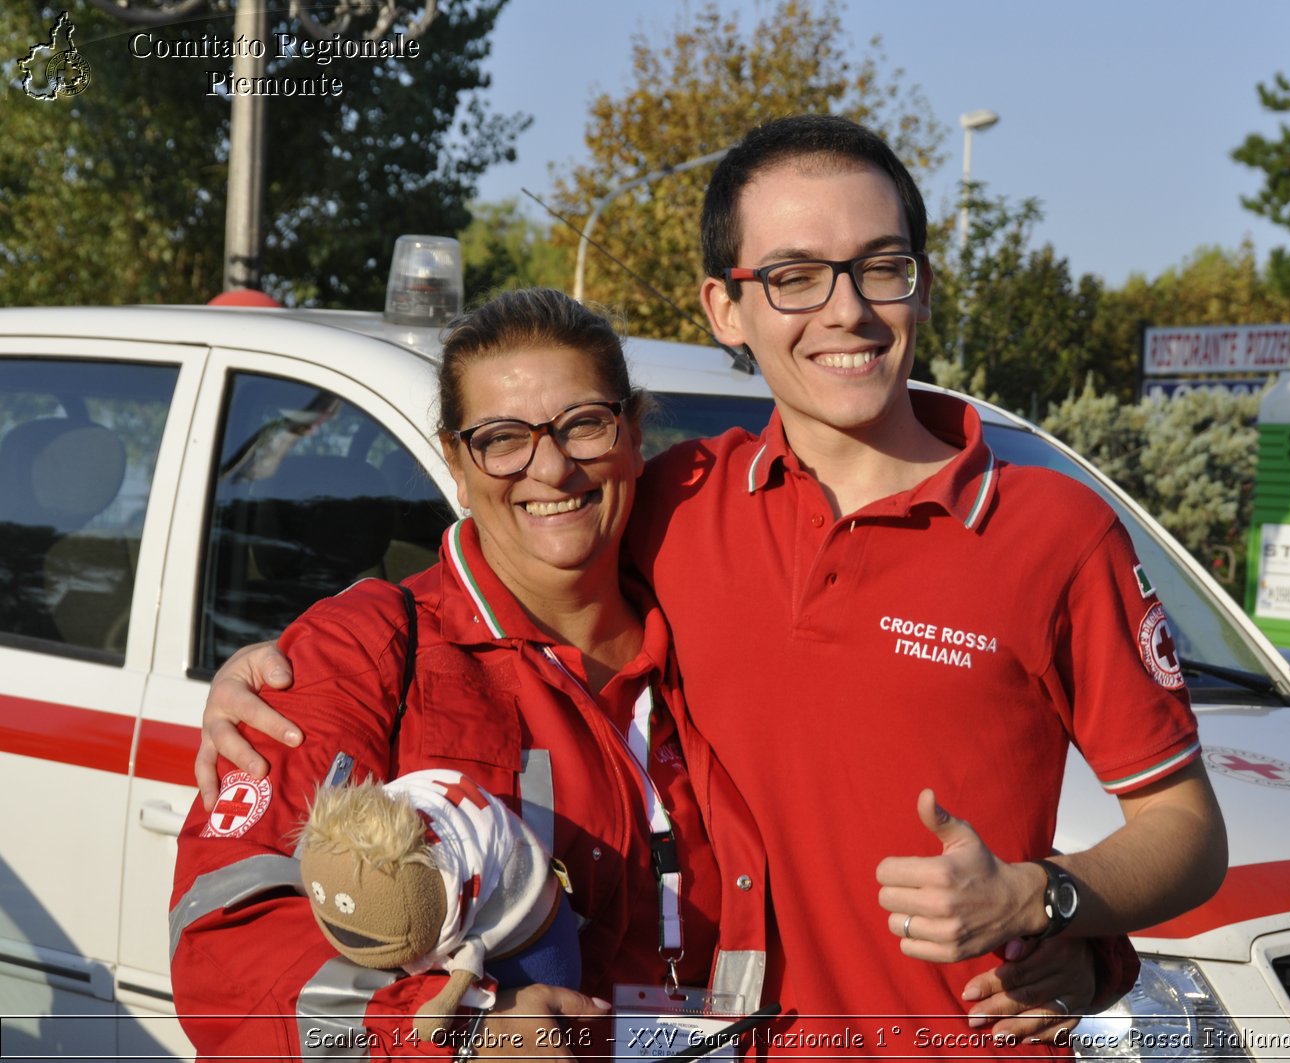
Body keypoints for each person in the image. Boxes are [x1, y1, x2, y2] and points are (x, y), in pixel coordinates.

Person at [200, 116, 1228, 1055]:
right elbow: (511, 556)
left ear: (921, 283)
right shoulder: (686, 501)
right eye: (793, 276)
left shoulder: (1052, 528)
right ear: (725, 307)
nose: (847, 310)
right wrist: (281, 664)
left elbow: (1187, 833)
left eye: (880, 266)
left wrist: (1053, 908)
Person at [170, 290, 770, 1058]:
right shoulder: (368, 650)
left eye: (584, 423)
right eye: (502, 438)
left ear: (634, 433)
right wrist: (455, 1035)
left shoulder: (721, 645)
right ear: (456, 460)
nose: (550, 467)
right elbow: (223, 944)